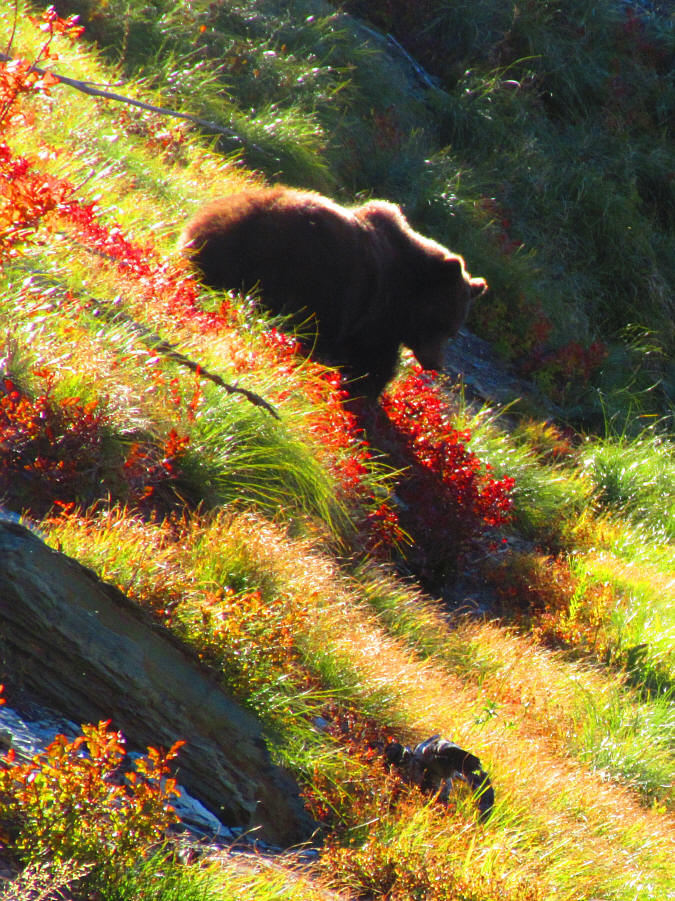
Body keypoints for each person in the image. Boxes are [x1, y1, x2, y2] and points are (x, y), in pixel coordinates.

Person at [384, 734, 494, 820]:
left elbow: (443, 749)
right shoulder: (403, 775)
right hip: (429, 798)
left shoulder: (425, 754)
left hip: (437, 781)